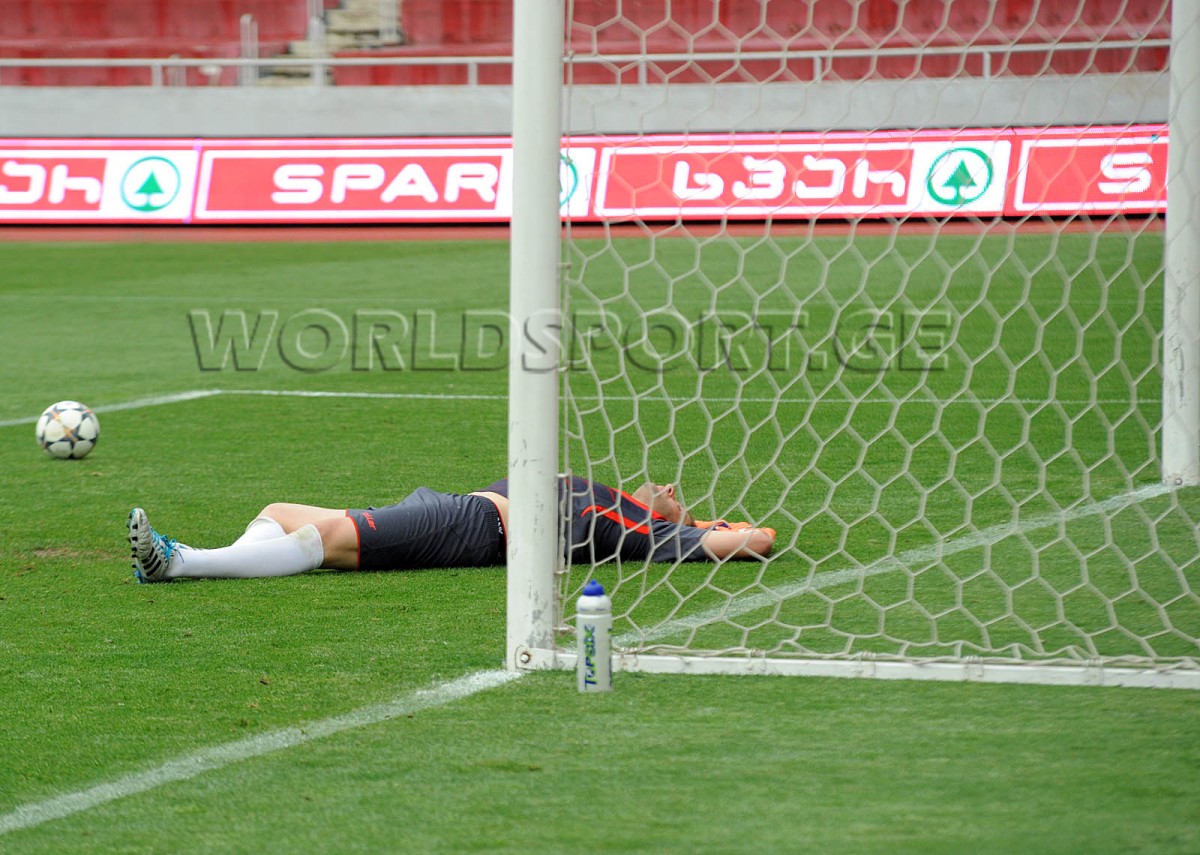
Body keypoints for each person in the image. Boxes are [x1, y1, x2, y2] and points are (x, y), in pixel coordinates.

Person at [126, 475, 776, 583]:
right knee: (280, 511)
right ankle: (212, 558)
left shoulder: (634, 526)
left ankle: (181, 561)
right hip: (454, 506)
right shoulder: (621, 504)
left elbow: (757, 539)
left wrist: (700, 527)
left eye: (682, 503)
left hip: (473, 528)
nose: (669, 489)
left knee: (327, 541)